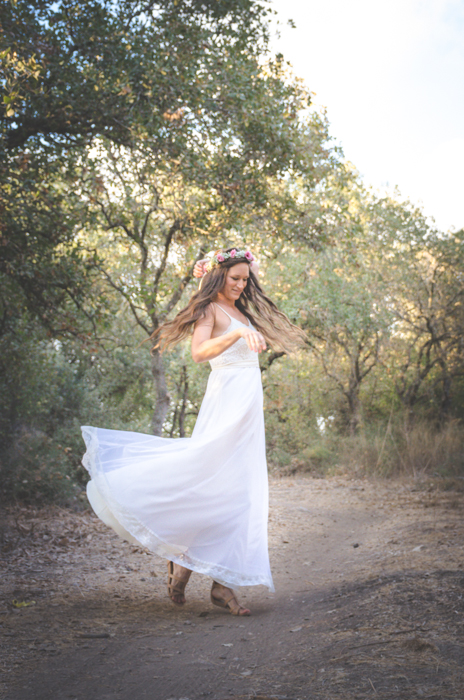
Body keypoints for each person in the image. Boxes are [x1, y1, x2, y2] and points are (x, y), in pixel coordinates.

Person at [81, 247, 305, 616]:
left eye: (245, 279)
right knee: (208, 481)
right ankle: (184, 560)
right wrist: (235, 337)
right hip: (226, 404)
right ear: (218, 276)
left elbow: (243, 277)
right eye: (234, 278)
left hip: (247, 410)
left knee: (240, 492)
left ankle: (218, 584)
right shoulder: (210, 310)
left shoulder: (239, 311)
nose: (240, 284)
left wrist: (221, 270)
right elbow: (199, 353)